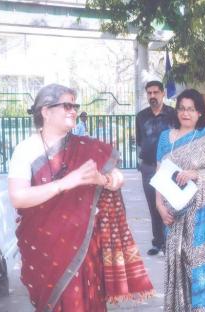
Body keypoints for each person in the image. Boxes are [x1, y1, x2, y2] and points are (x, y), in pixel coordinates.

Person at [8, 83, 153, 311]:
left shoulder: (86, 147)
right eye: (67, 105)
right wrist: (66, 183)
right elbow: (18, 197)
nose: (73, 110)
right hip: (44, 246)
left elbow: (118, 179)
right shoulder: (25, 150)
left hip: (83, 245)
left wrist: (102, 180)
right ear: (45, 111)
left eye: (74, 105)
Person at [155, 89, 205, 311]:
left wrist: (196, 174)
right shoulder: (165, 138)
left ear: (199, 112)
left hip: (203, 217)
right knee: (178, 267)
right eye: (181, 108)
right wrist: (159, 205)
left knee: (200, 269)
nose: (185, 113)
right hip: (174, 216)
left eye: (191, 109)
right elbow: (159, 175)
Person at [136, 80, 175, 256]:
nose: (152, 96)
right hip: (149, 168)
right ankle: (158, 242)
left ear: (163, 93)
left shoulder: (173, 115)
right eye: (149, 93)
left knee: (170, 204)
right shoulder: (141, 116)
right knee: (153, 206)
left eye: (155, 92)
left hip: (169, 168)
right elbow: (139, 141)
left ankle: (171, 243)